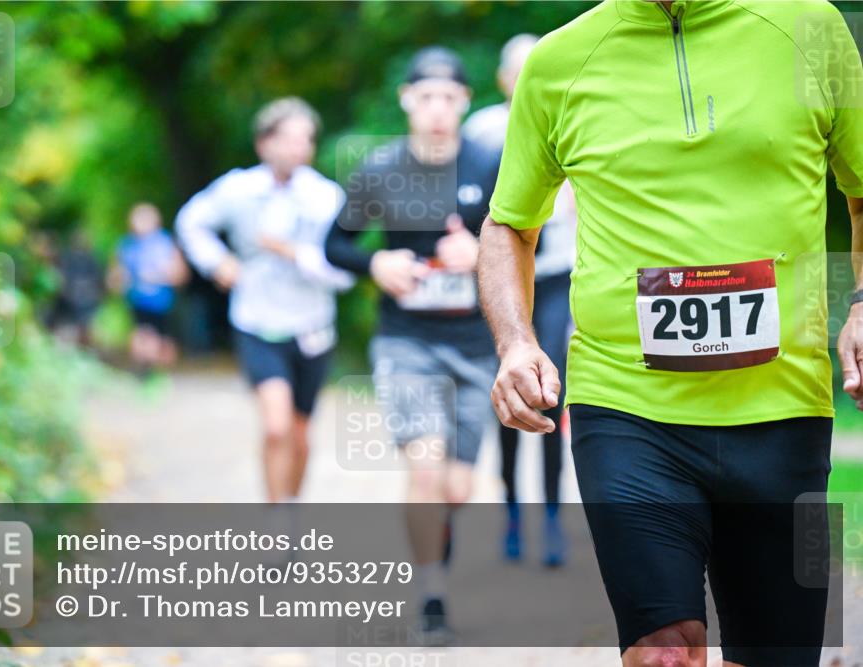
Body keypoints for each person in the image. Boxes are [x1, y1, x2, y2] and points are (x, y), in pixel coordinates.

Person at [478, 0, 862, 665]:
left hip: (783, 405)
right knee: (664, 649)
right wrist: (515, 341)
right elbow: (509, 223)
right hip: (626, 404)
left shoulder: (809, 26)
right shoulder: (560, 60)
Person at [325, 47, 500, 644]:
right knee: (425, 466)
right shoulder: (378, 169)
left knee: (457, 488)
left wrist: (481, 254)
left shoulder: (490, 163)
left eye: (448, 98)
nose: (436, 110)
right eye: (425, 97)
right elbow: (335, 245)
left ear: (464, 102)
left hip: (477, 342)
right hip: (408, 340)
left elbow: (527, 241)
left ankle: (435, 559)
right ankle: (431, 594)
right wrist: (376, 260)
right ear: (406, 100)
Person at [176, 97, 353, 508]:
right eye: (288, 139)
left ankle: (290, 506)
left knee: (300, 433)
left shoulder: (326, 198)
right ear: (263, 144)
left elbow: (344, 272)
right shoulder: (237, 189)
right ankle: (275, 516)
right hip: (255, 320)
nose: (297, 148)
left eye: (305, 140)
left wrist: (295, 254)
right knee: (276, 427)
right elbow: (190, 221)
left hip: (311, 324)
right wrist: (217, 262)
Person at [463, 33, 576, 565]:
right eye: (521, 69)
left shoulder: (575, 110)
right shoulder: (483, 131)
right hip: (505, 279)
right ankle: (511, 510)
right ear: (505, 79)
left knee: (550, 390)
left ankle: (553, 517)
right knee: (507, 392)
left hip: (555, 276)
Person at [108, 203, 188, 373]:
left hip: (162, 301)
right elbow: (115, 275)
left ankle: (164, 373)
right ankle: (145, 371)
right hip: (137, 301)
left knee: (163, 340)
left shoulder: (165, 242)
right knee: (141, 335)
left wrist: (160, 276)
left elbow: (179, 274)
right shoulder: (126, 245)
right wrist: (120, 282)